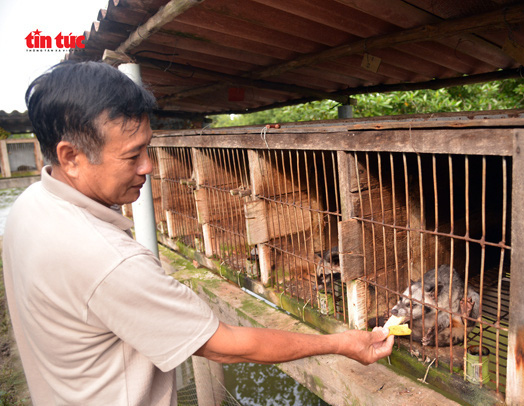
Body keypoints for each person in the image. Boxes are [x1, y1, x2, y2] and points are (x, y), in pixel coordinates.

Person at [2, 61, 394, 405]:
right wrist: (344, 342)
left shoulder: (28, 208)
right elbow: (227, 347)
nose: (149, 167)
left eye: (148, 148)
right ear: (70, 157)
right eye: (132, 154)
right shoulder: (108, 260)